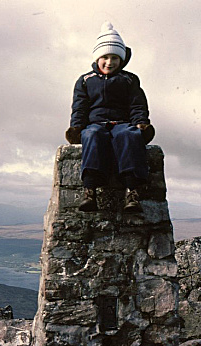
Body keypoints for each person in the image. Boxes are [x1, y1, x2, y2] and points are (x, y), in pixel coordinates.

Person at [65, 21, 155, 213]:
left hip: (122, 123)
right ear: (97, 58)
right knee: (92, 137)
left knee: (129, 136)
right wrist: (77, 128)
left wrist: (141, 124)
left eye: (114, 57)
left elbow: (137, 104)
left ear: (121, 59)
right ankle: (90, 191)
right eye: (105, 57)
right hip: (95, 124)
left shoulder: (129, 79)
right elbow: (80, 107)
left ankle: (132, 192)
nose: (109, 62)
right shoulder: (85, 80)